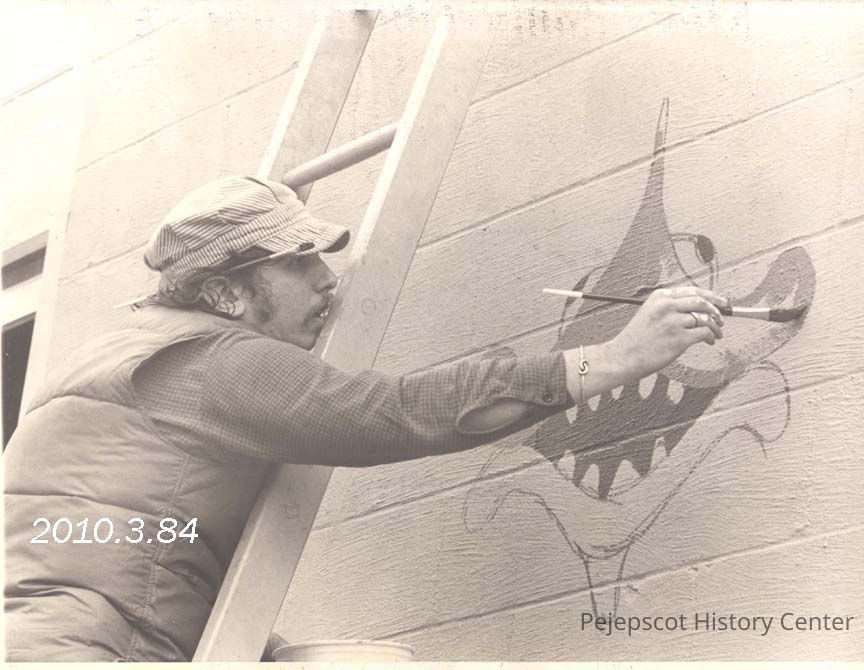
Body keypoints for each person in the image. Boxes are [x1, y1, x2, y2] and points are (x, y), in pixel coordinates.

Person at [4, 176, 726, 661]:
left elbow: (136, 545)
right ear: (225, 295)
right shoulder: (213, 362)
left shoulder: (107, 354)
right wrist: (617, 358)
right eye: (298, 262)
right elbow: (398, 412)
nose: (328, 279)